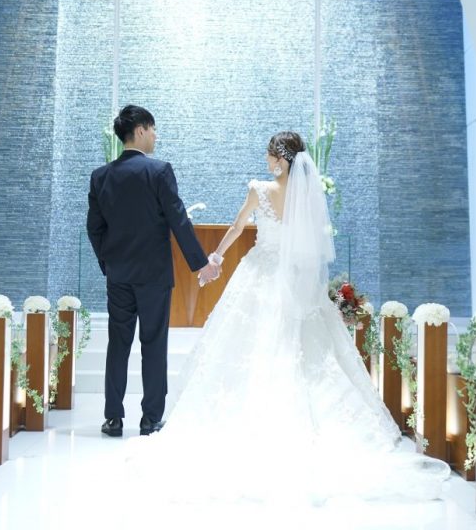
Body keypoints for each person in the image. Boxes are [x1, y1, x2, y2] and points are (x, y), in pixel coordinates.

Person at [116, 130, 450, 508]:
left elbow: (238, 227)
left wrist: (216, 258)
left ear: (279, 159)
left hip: (259, 274)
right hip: (295, 279)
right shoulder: (307, 196)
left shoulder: (260, 190)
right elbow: (312, 244)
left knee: (247, 344)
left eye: (268, 154)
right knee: (312, 352)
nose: (265, 159)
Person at [86, 104, 220, 438]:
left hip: (118, 275)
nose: (156, 136)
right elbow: (178, 220)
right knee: (154, 344)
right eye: (153, 129)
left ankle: (113, 418)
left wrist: (108, 264)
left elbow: (94, 228)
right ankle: (150, 419)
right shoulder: (159, 171)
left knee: (118, 343)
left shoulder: (101, 176)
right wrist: (200, 265)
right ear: (141, 130)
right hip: (154, 275)